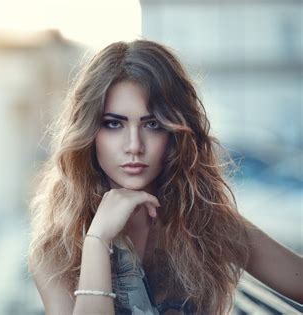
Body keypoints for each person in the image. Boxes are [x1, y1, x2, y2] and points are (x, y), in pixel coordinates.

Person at [27, 39, 302, 315]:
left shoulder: (206, 221)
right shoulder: (55, 252)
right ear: (89, 134)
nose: (134, 145)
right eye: (113, 124)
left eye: (152, 124)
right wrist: (98, 240)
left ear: (174, 134)